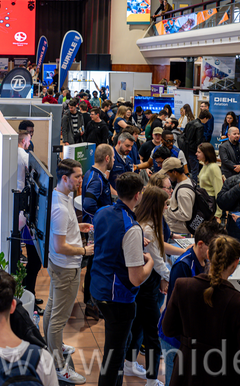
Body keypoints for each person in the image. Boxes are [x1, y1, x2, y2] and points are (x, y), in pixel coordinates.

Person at [162, 235, 240, 386]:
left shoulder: (183, 286)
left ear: (208, 255)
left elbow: (168, 329)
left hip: (186, 370)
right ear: (235, 263)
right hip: (222, 374)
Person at [91, 172, 154, 386]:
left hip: (98, 285)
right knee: (114, 359)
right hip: (117, 297)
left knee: (117, 347)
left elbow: (108, 242)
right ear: (138, 195)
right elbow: (136, 278)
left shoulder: (102, 212)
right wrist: (150, 262)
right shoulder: (132, 228)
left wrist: (133, 244)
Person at [44, 159, 93, 383]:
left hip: (60, 266)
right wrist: (84, 250)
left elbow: (61, 233)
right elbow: (60, 246)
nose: (81, 180)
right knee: (59, 318)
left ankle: (52, 346)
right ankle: (58, 367)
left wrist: (77, 227)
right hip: (66, 268)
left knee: (52, 308)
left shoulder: (61, 197)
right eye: (77, 177)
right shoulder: (60, 208)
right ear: (64, 178)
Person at [158, 221, 225, 383]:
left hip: (190, 335)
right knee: (174, 379)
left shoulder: (205, 262)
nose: (217, 252)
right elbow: (177, 308)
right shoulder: (184, 266)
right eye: (214, 247)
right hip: (175, 337)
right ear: (201, 244)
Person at [126, 186, 168, 386]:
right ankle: (152, 380)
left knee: (138, 325)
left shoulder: (145, 223)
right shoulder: (149, 228)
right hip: (146, 286)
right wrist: (173, 278)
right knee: (153, 333)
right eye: (165, 204)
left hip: (145, 284)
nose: (167, 208)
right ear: (156, 205)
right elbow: (157, 262)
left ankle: (129, 362)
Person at [81, 144, 114, 320]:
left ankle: (91, 303)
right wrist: (105, 217)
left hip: (95, 228)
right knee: (96, 266)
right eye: (113, 157)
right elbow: (88, 205)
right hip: (97, 230)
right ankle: (92, 304)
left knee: (94, 265)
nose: (114, 161)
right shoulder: (97, 179)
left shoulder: (92, 174)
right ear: (107, 158)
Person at [163, 157, 195, 235]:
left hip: (180, 231)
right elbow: (179, 202)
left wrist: (167, 210)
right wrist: (167, 201)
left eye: (168, 174)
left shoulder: (183, 191)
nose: (168, 176)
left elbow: (186, 215)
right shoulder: (185, 181)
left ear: (174, 172)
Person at [179, 109, 210, 181]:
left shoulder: (190, 123)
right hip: (193, 151)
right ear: (205, 118)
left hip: (185, 149)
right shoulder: (200, 126)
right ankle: (194, 185)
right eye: (207, 119)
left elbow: (184, 135)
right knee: (194, 170)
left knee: (187, 169)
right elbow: (199, 142)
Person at [196, 142, 223, 218]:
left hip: (210, 203)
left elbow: (219, 190)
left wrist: (218, 213)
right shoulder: (205, 165)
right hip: (204, 201)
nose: (196, 154)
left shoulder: (213, 167)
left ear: (206, 153)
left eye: (199, 152)